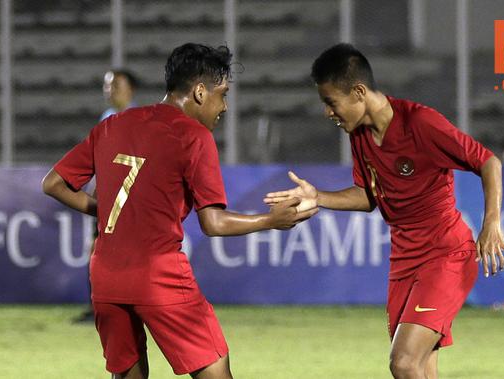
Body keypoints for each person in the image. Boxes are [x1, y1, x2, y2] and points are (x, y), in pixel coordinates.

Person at [43, 43, 317, 379]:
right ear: (200, 92)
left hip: (105, 274)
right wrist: (270, 220)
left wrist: (108, 212)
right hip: (158, 274)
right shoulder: (193, 136)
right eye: (222, 94)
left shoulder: (113, 125)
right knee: (215, 372)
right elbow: (213, 222)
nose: (225, 106)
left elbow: (53, 183)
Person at [264, 43, 504, 379]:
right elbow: (369, 197)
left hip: (445, 255)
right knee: (421, 368)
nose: (328, 112)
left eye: (330, 102)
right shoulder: (359, 136)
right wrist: (319, 196)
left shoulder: (421, 123)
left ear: (358, 92)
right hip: (404, 261)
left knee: (403, 362)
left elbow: (488, 161)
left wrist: (492, 222)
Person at [74, 68, 142, 324]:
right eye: (107, 85)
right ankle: (99, 309)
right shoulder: (107, 116)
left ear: (130, 89)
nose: (109, 90)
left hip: (125, 197)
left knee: (116, 253)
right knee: (97, 250)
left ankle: (123, 309)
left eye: (115, 85)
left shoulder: (137, 119)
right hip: (106, 195)